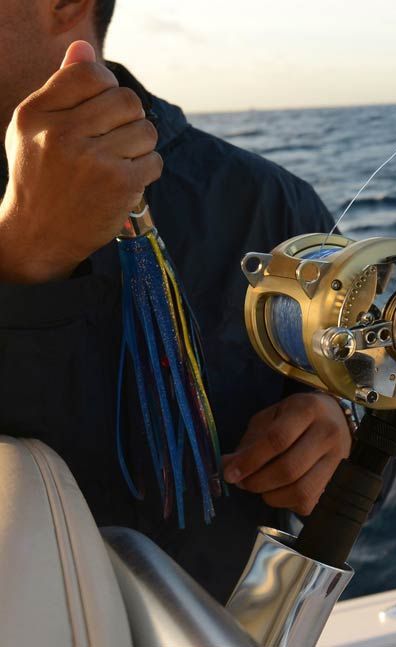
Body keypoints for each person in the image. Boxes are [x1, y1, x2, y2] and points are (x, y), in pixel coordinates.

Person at [0, 0, 355, 601]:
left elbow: (361, 421)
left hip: (211, 622)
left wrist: (335, 431)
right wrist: (23, 255)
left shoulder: (270, 204)